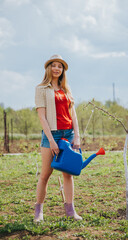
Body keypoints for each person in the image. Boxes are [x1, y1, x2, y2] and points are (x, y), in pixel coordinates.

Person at [34, 54, 82, 222]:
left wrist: (77, 135)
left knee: (67, 174)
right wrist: (52, 141)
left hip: (68, 134)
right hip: (51, 135)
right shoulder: (41, 89)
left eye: (60, 66)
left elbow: (73, 115)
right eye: (54, 65)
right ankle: (38, 211)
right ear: (49, 68)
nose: (56, 68)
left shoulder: (67, 89)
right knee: (46, 174)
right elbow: (42, 117)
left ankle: (70, 211)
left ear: (63, 70)